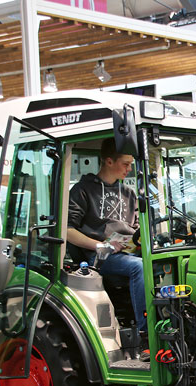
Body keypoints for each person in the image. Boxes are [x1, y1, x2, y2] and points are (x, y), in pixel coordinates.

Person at [66, 138, 146, 334]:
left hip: (126, 251)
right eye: (125, 164)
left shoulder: (128, 193)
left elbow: (136, 228)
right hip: (99, 256)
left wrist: (141, 242)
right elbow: (67, 230)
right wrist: (100, 246)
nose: (129, 169)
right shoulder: (82, 191)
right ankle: (147, 333)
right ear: (109, 161)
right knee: (140, 268)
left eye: (130, 165)